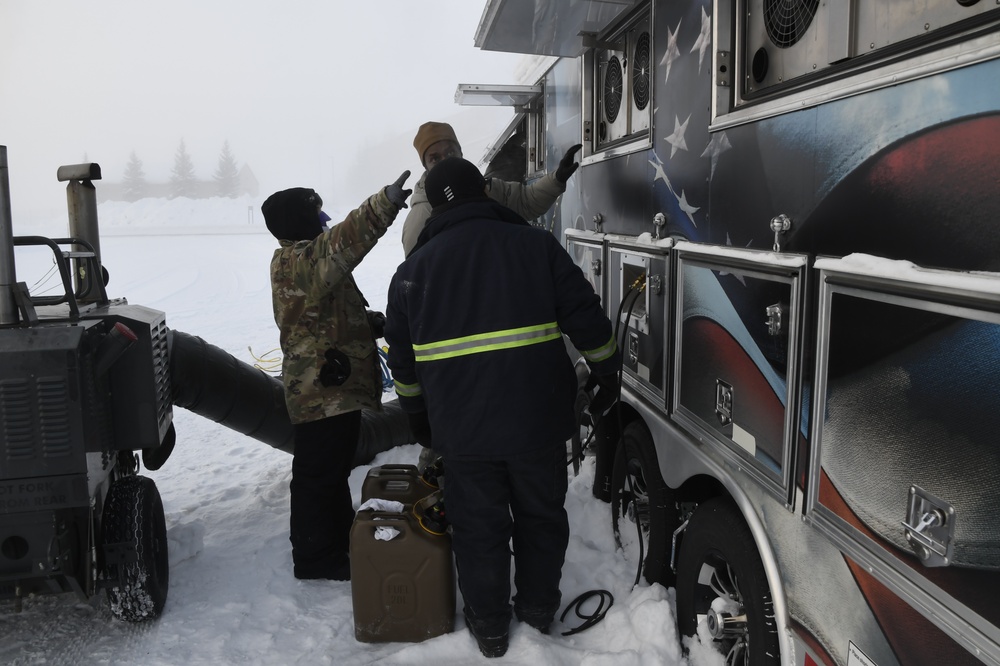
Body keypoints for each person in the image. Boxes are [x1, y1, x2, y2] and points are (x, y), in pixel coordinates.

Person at [384, 157, 619, 657]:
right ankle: (536, 613)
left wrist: (420, 421)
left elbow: (403, 367)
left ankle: (490, 629)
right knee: (541, 518)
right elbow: (588, 320)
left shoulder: (411, 273)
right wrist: (606, 374)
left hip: (462, 434)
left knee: (478, 529)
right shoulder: (536, 247)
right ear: (483, 193)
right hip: (538, 423)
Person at [402, 120, 583, 472]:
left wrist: (556, 179)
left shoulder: (484, 187)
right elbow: (417, 282)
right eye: (434, 156)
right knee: (459, 436)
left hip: (500, 323)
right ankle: (441, 476)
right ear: (425, 164)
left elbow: (525, 201)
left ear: (460, 150)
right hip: (454, 340)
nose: (443, 159)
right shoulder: (423, 211)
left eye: (449, 151)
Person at [262, 172, 412, 581]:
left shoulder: (305, 262)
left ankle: (336, 543)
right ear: (299, 220)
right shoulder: (300, 259)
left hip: (332, 390)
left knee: (330, 472)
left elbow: (322, 316)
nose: (323, 218)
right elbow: (347, 240)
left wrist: (370, 323)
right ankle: (315, 559)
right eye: (315, 212)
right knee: (317, 476)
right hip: (320, 392)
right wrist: (385, 202)